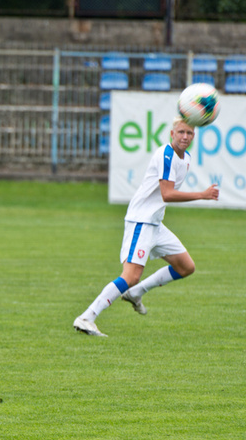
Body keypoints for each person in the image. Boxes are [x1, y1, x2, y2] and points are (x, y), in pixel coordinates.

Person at [73, 117, 219, 337]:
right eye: (180, 132)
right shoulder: (166, 154)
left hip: (155, 223)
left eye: (189, 133)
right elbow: (167, 193)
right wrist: (202, 194)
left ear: (194, 136)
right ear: (172, 134)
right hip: (141, 221)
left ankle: (136, 293)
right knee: (130, 275)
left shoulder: (185, 159)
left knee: (186, 267)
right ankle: (87, 317)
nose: (185, 137)